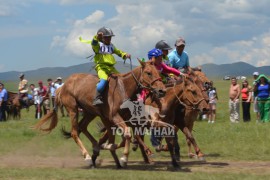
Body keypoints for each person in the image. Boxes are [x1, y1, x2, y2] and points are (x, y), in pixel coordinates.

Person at [80, 27, 131, 105]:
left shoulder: (111, 46)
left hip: (111, 68)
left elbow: (118, 52)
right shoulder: (98, 45)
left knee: (121, 79)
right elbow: (94, 43)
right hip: (101, 67)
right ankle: (96, 98)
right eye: (107, 37)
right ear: (102, 38)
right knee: (103, 80)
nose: (109, 39)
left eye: (110, 37)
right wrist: (96, 37)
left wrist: (125, 55)